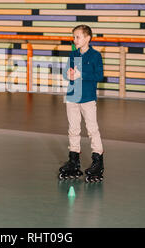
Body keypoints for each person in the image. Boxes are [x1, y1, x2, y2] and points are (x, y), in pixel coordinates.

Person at [59, 25, 105, 183]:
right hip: (72, 97)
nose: (74, 40)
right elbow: (66, 73)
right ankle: (73, 160)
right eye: (74, 37)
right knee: (73, 129)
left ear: (87, 38)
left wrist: (81, 74)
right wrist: (68, 75)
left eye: (77, 37)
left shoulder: (95, 56)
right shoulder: (72, 55)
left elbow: (99, 75)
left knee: (92, 130)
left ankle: (97, 162)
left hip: (87, 99)